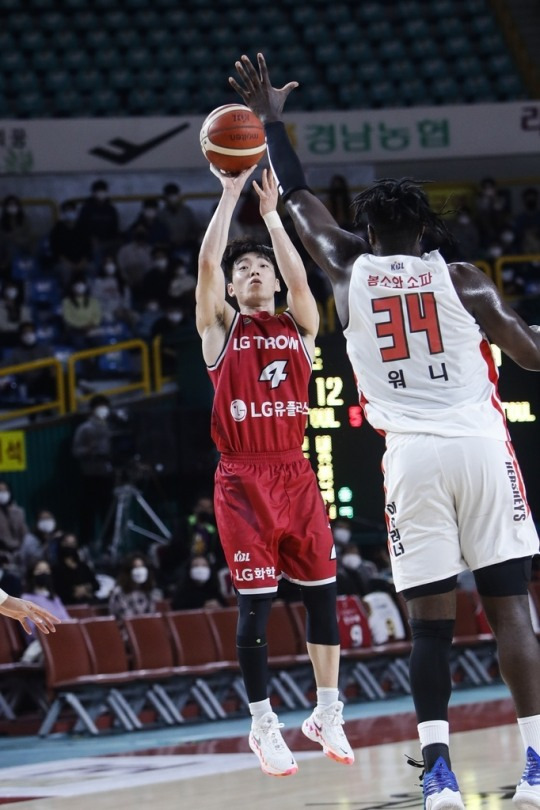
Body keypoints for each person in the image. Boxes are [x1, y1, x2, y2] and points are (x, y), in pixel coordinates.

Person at [231, 52, 540, 809]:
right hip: (479, 448)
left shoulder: (345, 269)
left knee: (431, 628)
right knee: (512, 614)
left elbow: (298, 198)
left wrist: (272, 121)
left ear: (365, 231)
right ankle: (537, 764)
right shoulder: (463, 278)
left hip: (412, 463)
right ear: (427, 232)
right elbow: (531, 355)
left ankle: (436, 771)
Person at [196, 161, 353, 777]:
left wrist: (271, 217)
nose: (253, 271)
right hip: (243, 480)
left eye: (260, 267)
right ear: (232, 290)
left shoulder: (300, 326)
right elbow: (207, 267)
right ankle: (263, 722)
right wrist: (231, 195)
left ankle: (327, 711)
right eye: (244, 270)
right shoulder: (219, 332)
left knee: (323, 602)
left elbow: (301, 275)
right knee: (256, 608)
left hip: (296, 474)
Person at [71, 394, 115, 548]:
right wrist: (90, 449)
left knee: (109, 512)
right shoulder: (84, 428)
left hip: (108, 474)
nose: (103, 410)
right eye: (100, 406)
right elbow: (76, 451)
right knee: (88, 512)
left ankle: (109, 542)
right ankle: (86, 543)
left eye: (105, 406)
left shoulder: (113, 425)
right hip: (90, 475)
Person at [108, 552, 162, 632]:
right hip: (127, 633)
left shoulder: (148, 592)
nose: (140, 571)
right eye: (136, 567)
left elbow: (151, 615)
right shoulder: (119, 593)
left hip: (147, 631)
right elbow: (127, 618)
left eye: (142, 567)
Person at [21, 558, 70, 640]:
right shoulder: (26, 599)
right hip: (42, 641)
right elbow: (31, 630)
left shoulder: (54, 597)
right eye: (39, 571)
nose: (44, 574)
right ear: (31, 574)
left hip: (63, 637)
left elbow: (67, 620)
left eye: (47, 570)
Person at [51, 532, 99, 606]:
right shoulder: (56, 568)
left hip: (88, 601)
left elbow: (96, 585)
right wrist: (74, 592)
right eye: (67, 543)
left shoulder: (83, 566)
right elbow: (57, 588)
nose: (70, 546)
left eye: (73, 543)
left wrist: (85, 588)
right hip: (67, 604)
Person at [0, 480, 30, 564]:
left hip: (19, 552)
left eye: (4, 490)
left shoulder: (18, 511)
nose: (2, 493)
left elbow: (24, 532)